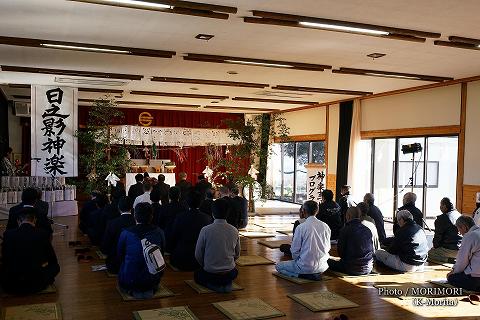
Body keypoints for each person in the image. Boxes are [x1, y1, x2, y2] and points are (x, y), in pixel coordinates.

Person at [1, 207, 60, 294]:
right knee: (55, 267)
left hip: (12, 284)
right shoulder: (43, 234)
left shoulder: (8, 234)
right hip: (37, 284)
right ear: (35, 220)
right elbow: (52, 260)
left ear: (18, 221)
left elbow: (5, 259)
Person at [117, 202, 166, 299]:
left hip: (129, 280)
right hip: (152, 280)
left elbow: (120, 255)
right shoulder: (159, 232)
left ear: (134, 215)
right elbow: (162, 254)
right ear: (152, 216)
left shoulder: (125, 233)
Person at [276, 200, 331, 279]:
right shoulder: (325, 226)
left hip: (304, 267)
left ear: (304, 211)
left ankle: (300, 275)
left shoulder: (301, 227)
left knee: (278, 266)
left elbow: (294, 251)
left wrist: (299, 261)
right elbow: (328, 247)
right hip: (323, 266)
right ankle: (312, 273)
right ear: (317, 211)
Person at [194, 198, 240, 293]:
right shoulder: (234, 230)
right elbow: (237, 254)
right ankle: (224, 285)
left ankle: (215, 286)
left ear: (213, 213)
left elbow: (198, 254)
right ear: (227, 213)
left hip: (210, 271)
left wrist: (206, 265)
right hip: (229, 272)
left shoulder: (205, 230)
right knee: (234, 272)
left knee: (197, 275)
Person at [169, 191, 213, 271]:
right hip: (201, 259)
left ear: (187, 202)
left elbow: (173, 236)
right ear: (201, 202)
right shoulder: (207, 218)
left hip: (181, 258)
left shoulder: (180, 217)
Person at [327, 207, 374, 275]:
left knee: (326, 262)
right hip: (368, 268)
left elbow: (341, 253)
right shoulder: (367, 230)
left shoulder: (345, 230)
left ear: (348, 216)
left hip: (351, 268)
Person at [101, 197, 136, 274]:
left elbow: (105, 246)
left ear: (119, 207)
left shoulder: (112, 223)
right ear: (131, 207)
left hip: (116, 263)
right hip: (134, 262)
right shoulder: (136, 222)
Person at [447, 216, 480, 291]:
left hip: (476, 278)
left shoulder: (470, 236)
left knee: (451, 278)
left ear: (464, 227)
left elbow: (462, 261)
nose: (459, 233)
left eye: (459, 229)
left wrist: (453, 272)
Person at [428, 198, 462, 263]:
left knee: (430, 254)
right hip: (461, 249)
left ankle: (449, 260)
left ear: (445, 206)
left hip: (450, 249)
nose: (440, 207)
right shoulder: (459, 215)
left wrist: (435, 247)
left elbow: (438, 237)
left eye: (441, 205)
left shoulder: (442, 218)